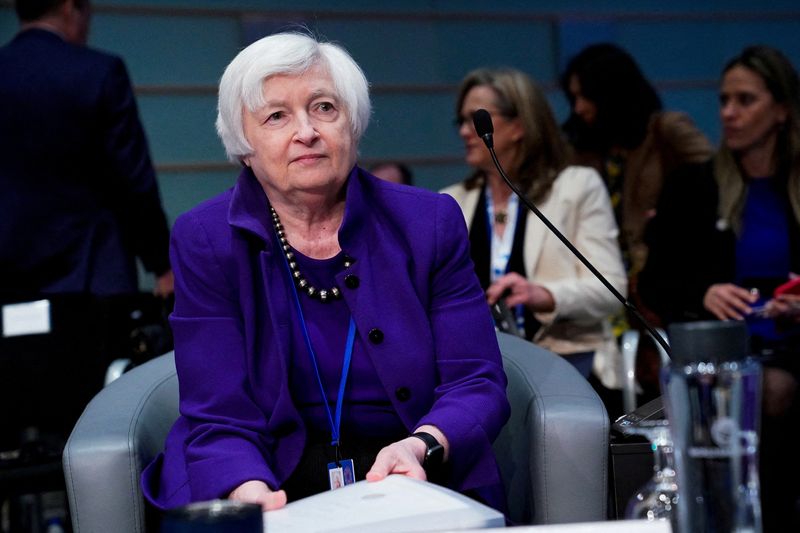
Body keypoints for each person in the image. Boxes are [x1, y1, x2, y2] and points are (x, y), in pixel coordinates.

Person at [140, 32, 510, 514]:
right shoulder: (205, 240)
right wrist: (247, 490)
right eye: (276, 116)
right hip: (265, 467)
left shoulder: (429, 222)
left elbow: (476, 380)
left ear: (352, 124)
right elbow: (219, 411)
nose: (306, 131)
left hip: (406, 467)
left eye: (324, 108)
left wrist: (423, 444)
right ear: (244, 144)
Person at [639, 45, 800, 532]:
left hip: (794, 343)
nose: (729, 113)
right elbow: (654, 281)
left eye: (745, 100)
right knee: (765, 391)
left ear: (781, 110)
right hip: (726, 354)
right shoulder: (694, 185)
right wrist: (704, 292)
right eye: (724, 100)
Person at [441, 67, 627, 393]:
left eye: (477, 118)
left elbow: (611, 289)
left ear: (519, 125)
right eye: (461, 120)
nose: (465, 132)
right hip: (480, 377)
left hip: (570, 366)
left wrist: (545, 295)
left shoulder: (576, 188)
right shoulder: (449, 202)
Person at [0, 0, 173, 299]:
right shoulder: (99, 72)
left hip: (8, 272)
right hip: (91, 269)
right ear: (70, 8)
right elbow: (132, 180)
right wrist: (161, 264)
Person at [561, 43, 713, 277]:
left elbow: (717, 179)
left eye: (586, 96)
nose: (578, 108)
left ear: (611, 93)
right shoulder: (582, 148)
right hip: (601, 278)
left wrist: (675, 212)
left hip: (663, 273)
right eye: (574, 98)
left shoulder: (666, 131)